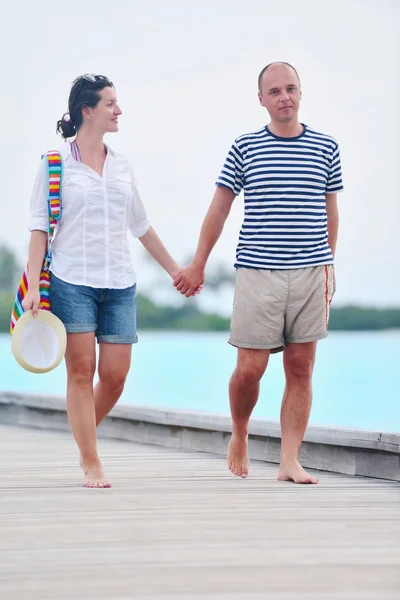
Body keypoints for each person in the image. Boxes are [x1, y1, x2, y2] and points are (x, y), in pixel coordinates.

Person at [23, 73, 197, 488]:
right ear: (87, 111)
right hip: (71, 280)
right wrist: (31, 287)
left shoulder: (122, 165)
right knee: (81, 372)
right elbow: (38, 229)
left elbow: (141, 226)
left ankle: (83, 431)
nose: (118, 111)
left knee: (115, 376)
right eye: (110, 104)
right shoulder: (55, 164)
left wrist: (175, 270)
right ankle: (91, 462)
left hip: (119, 282)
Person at [173, 62, 343, 484]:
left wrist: (329, 264)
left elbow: (330, 210)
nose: (284, 97)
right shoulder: (245, 147)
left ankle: (289, 460)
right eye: (275, 91)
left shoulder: (326, 147)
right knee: (250, 369)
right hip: (257, 270)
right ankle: (241, 432)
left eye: (291, 89)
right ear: (262, 100)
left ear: (301, 93)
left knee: (301, 366)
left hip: (311, 271)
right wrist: (198, 262)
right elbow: (220, 208)